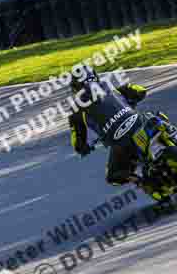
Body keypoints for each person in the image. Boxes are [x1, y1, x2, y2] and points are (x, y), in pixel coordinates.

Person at [67, 65, 159, 196]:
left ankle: (141, 181)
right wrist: (131, 101)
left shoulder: (76, 110)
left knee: (112, 177)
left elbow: (77, 142)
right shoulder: (111, 86)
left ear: (75, 87)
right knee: (157, 118)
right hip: (140, 123)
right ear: (95, 77)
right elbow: (141, 91)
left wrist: (84, 148)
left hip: (121, 143)